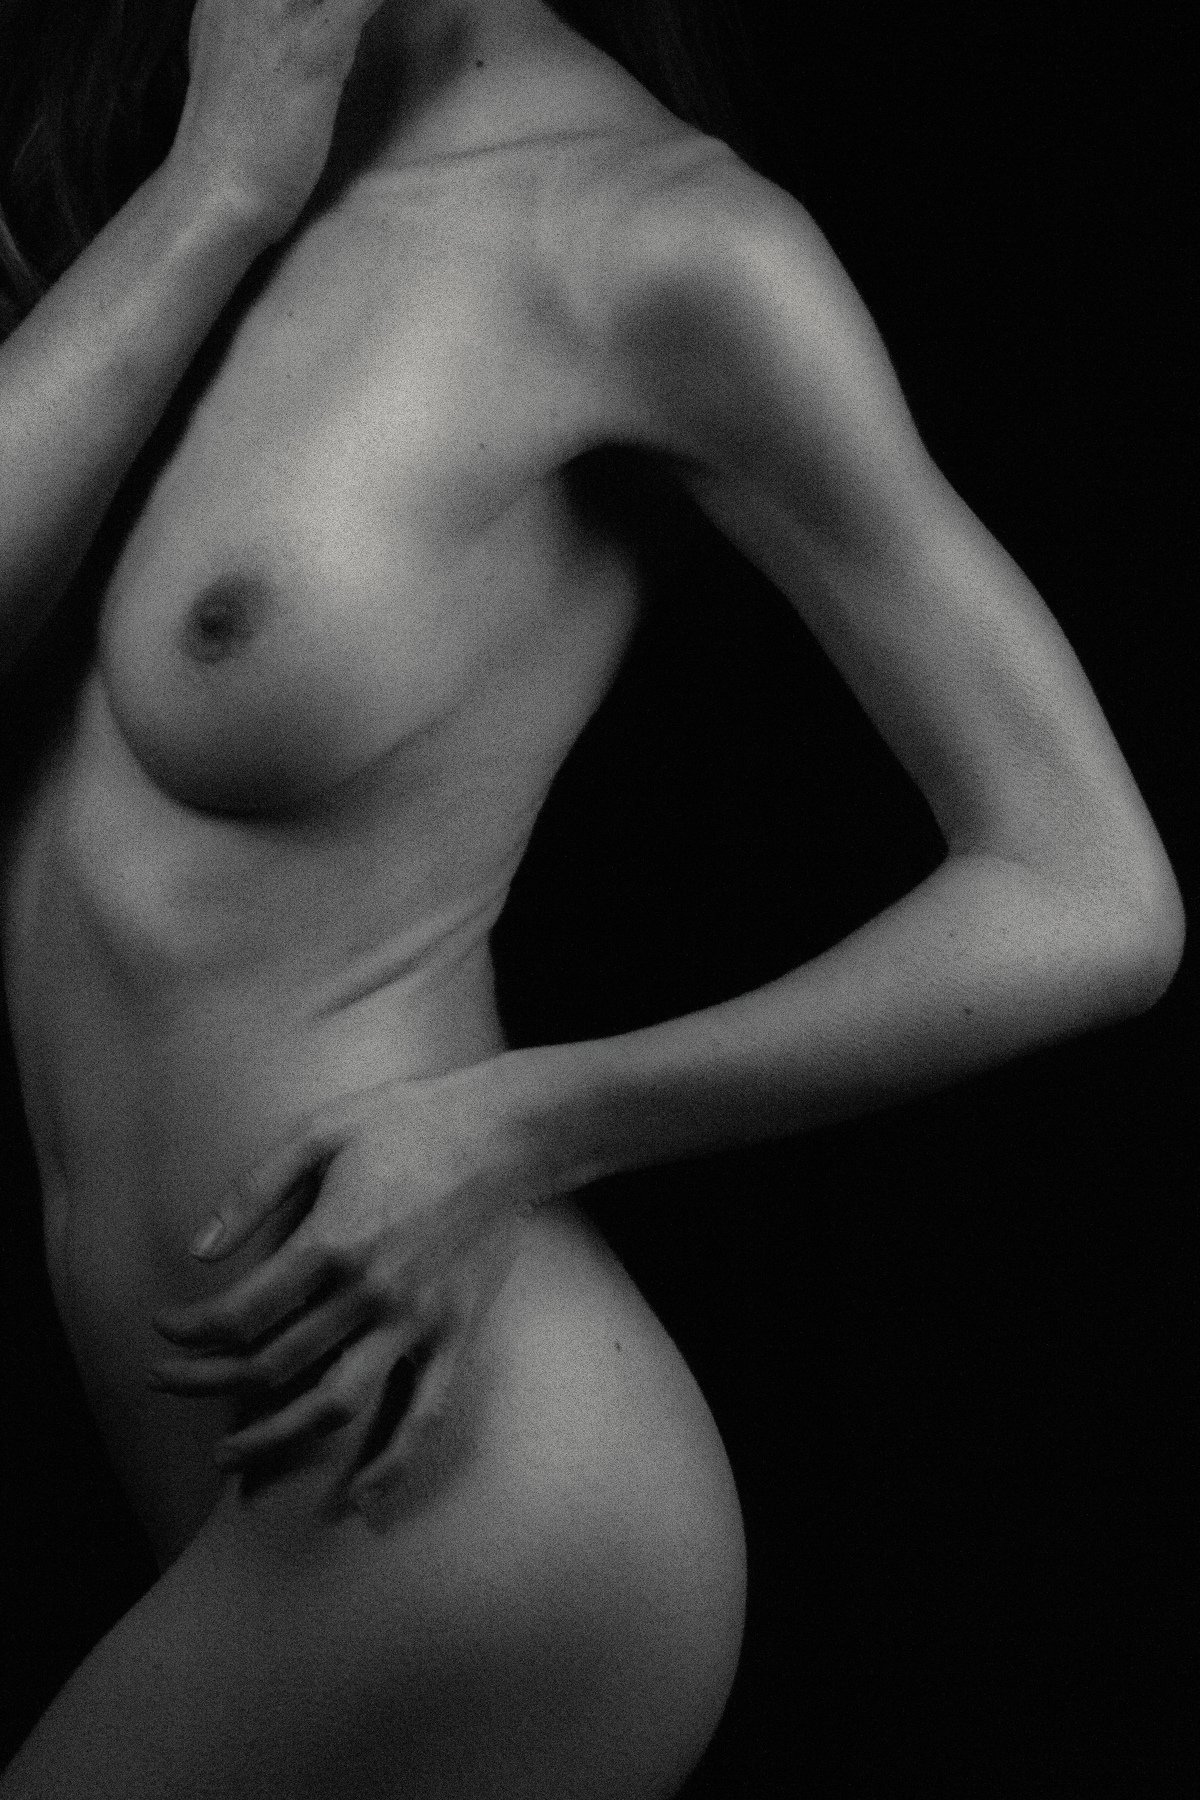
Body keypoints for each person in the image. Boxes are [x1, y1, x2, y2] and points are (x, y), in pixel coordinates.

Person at [0, 0, 1184, 1792]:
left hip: (478, 1508)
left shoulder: (651, 241)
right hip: (245, 1494)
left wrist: (515, 1130)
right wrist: (218, 184)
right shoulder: (145, 172)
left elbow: (1091, 890)